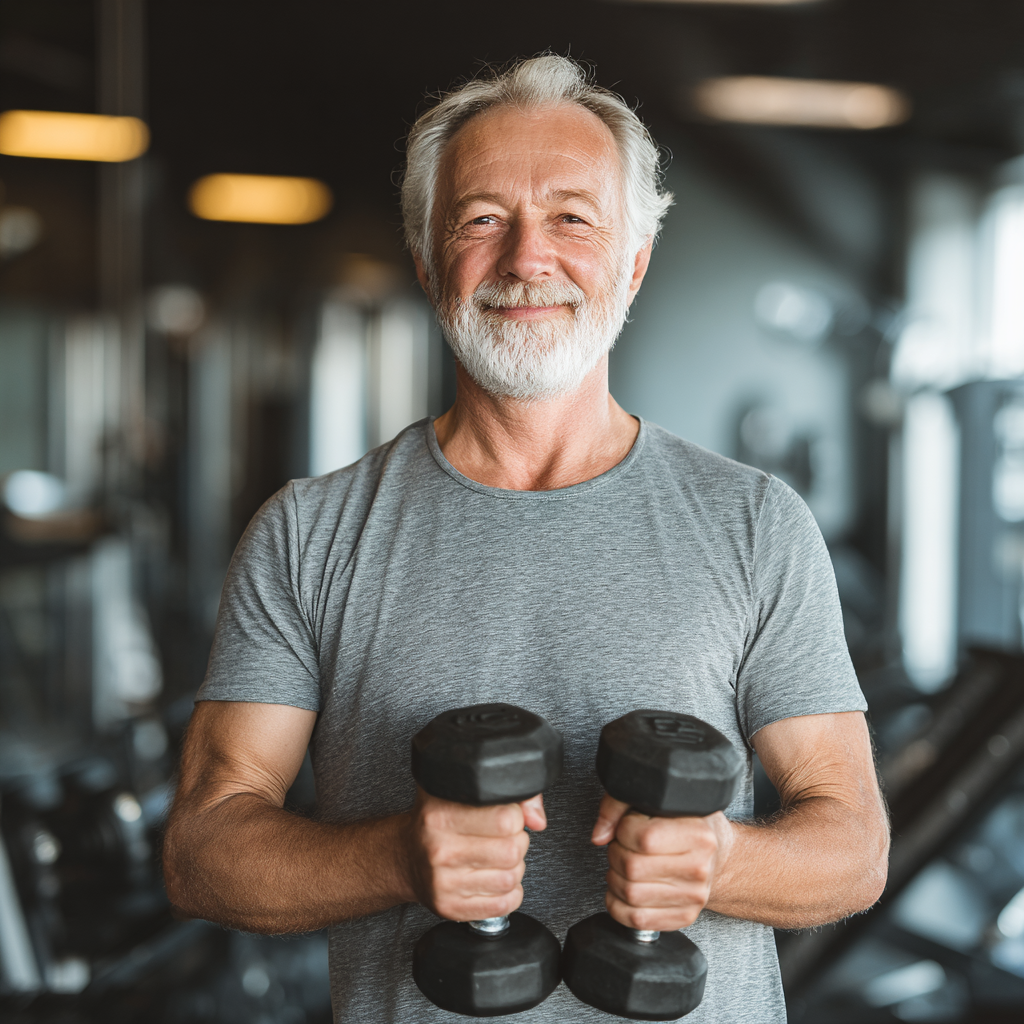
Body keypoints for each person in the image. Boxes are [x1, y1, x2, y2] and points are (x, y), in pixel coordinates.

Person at [163, 54, 889, 1023]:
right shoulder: (310, 531)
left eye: (571, 219)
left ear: (632, 262)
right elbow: (202, 851)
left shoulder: (754, 524)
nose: (525, 260)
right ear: (427, 260)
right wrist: (394, 857)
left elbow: (853, 847)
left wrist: (722, 860)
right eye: (481, 219)